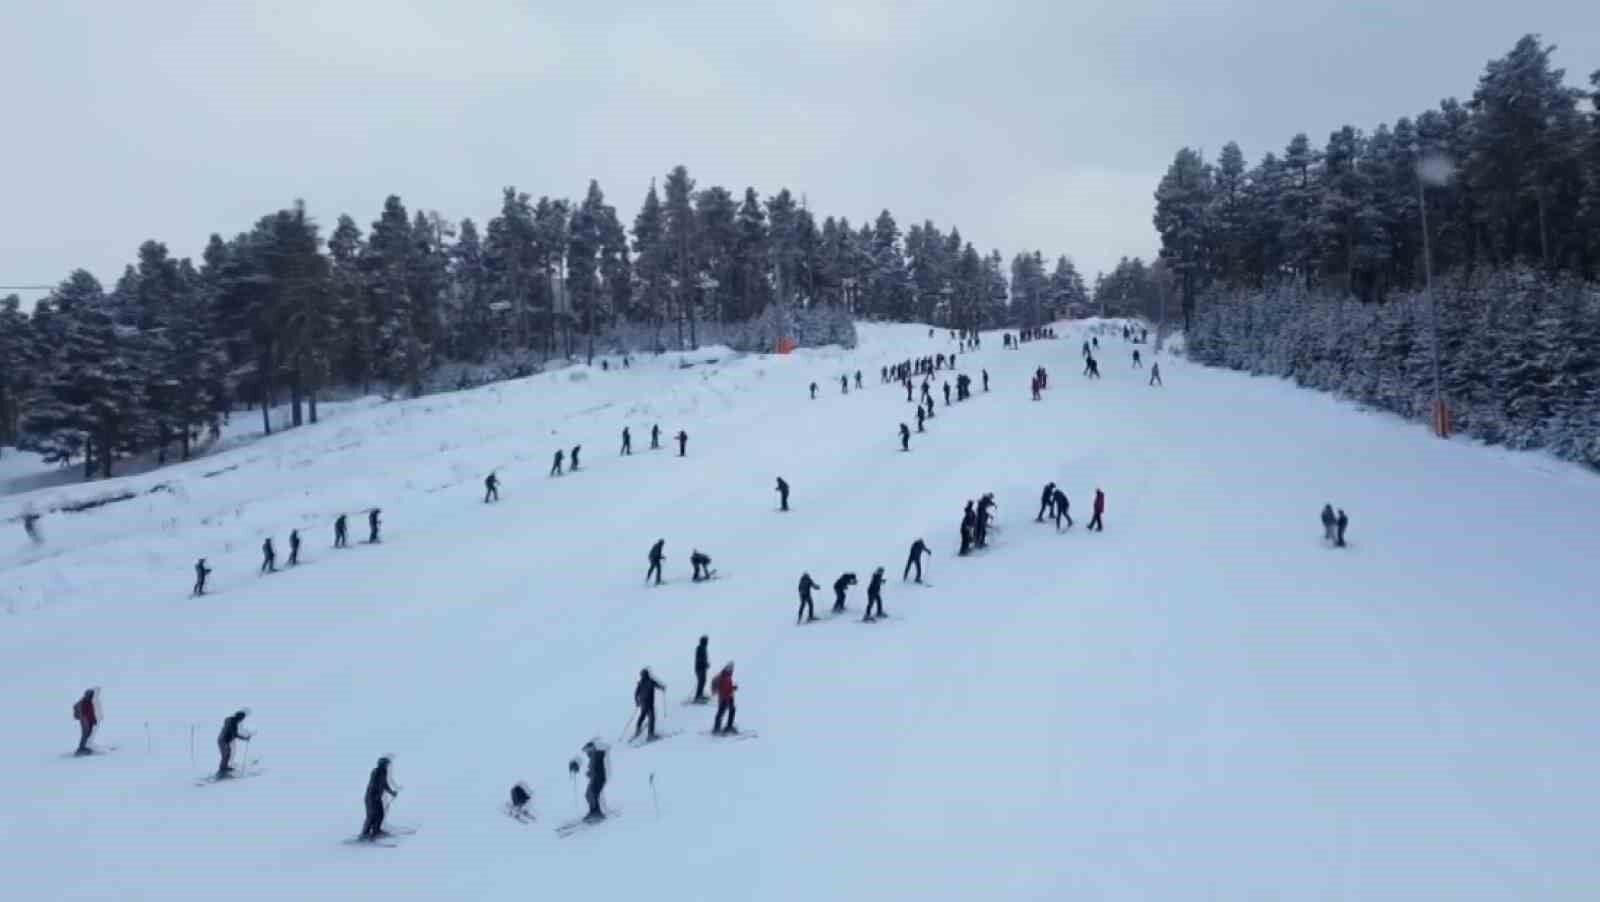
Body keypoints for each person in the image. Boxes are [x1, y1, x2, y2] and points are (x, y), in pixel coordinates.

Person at [361, 756, 399, 841]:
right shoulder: (376, 772)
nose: (387, 766)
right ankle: (364, 834)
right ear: (382, 764)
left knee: (380, 814)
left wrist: (392, 792)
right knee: (371, 816)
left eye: (387, 764)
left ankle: (376, 831)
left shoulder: (384, 772)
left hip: (377, 798)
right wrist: (375, 795)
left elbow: (384, 784)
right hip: (371, 797)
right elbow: (373, 784)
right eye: (386, 764)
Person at [633, 668, 665, 741]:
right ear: (647, 674)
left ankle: (638, 728)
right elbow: (657, 685)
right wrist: (662, 688)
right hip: (649, 703)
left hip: (643, 702)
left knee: (642, 715)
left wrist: (637, 702)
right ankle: (650, 735)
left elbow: (636, 694)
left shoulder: (641, 683)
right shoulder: (650, 681)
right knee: (651, 718)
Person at [216, 710, 251, 778]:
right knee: (226, 755)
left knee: (227, 754)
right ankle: (222, 771)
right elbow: (235, 734)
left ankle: (224, 767)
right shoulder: (233, 722)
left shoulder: (230, 720)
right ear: (239, 717)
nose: (242, 720)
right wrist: (245, 738)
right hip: (223, 740)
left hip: (223, 739)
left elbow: (232, 732)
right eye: (242, 719)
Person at [581, 741, 609, 821]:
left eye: (587, 750)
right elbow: (595, 768)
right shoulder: (594, 756)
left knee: (592, 794)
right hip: (597, 778)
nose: (586, 753)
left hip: (598, 778)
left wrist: (591, 773)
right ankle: (594, 812)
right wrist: (589, 773)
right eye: (585, 751)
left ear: (591, 749)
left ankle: (596, 813)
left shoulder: (595, 755)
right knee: (590, 795)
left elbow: (595, 768)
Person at [711, 663, 738, 735]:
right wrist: (732, 689)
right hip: (724, 698)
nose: (732, 670)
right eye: (731, 668)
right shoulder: (723, 676)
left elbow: (727, 687)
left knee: (732, 710)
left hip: (729, 697)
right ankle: (717, 728)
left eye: (732, 668)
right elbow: (723, 688)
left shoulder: (727, 675)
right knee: (721, 712)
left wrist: (733, 688)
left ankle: (728, 726)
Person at [72, 688, 97, 755]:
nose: (92, 695)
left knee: (88, 733)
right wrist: (84, 717)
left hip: (89, 720)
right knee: (85, 734)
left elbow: (91, 712)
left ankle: (83, 747)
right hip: (85, 720)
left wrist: (94, 719)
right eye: (91, 694)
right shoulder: (84, 701)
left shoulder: (89, 701)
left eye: (92, 694)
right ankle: (81, 748)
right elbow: (86, 712)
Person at [693, 636, 711, 702]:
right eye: (706, 641)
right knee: (701, 682)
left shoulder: (703, 648)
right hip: (699, 668)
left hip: (702, 668)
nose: (707, 642)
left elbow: (704, 659)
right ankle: (697, 697)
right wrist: (705, 664)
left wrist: (706, 664)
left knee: (703, 681)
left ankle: (700, 694)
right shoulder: (700, 648)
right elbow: (700, 659)